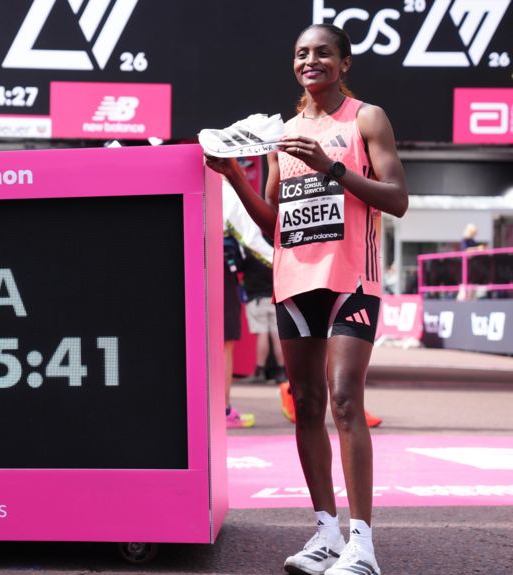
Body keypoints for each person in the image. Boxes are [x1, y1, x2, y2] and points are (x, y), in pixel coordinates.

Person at [205, 23, 408, 575]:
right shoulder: (283, 134)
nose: (311, 60)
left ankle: (362, 545)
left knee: (344, 399)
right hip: (296, 282)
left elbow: (397, 200)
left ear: (344, 64)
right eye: (302, 54)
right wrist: (235, 179)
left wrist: (332, 168)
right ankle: (325, 533)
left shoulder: (367, 118)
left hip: (352, 279)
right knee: (308, 404)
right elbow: (276, 225)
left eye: (322, 52)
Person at [241, 240, 287, 384]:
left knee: (262, 334)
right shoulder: (275, 248)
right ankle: (282, 371)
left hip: (257, 299)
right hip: (275, 297)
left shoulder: (250, 249)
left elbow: (238, 267)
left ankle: (259, 371)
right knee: (276, 335)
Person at [224, 233, 255, 428]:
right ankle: (223, 411)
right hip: (221, 269)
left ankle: (217, 410)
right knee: (225, 343)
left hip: (197, 261)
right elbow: (252, 240)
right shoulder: (231, 203)